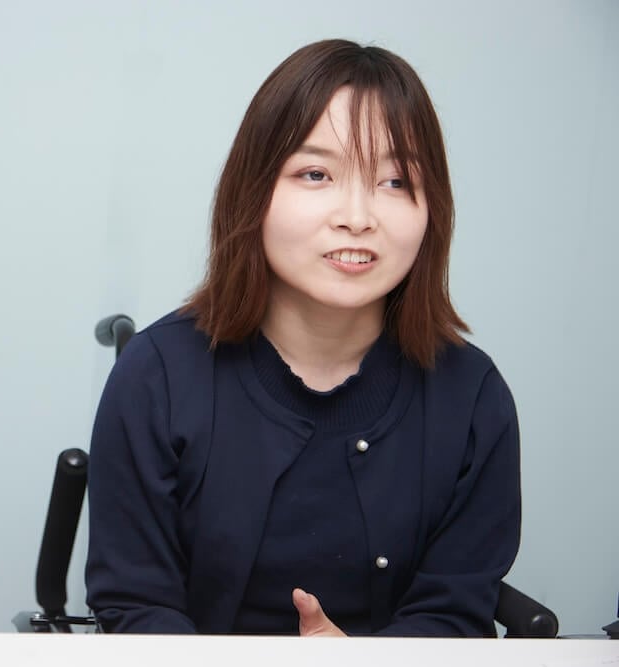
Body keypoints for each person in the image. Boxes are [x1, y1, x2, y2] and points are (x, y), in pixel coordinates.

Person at [84, 39, 521, 637]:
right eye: (316, 174)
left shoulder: (472, 397)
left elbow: (453, 614)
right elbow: (135, 604)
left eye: (395, 181)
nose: (357, 217)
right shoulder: (155, 375)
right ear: (254, 189)